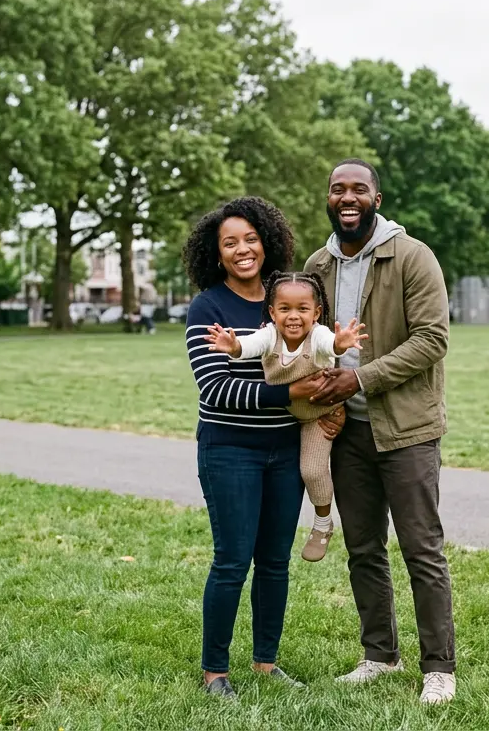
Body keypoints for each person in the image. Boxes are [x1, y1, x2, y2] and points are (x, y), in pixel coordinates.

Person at [304, 158, 457, 705]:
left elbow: (432, 339)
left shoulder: (412, 256)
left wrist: (360, 378)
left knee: (422, 549)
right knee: (364, 548)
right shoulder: (317, 264)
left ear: (377, 197)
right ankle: (380, 656)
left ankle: (439, 667)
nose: (348, 198)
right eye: (338, 189)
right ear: (328, 198)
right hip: (346, 433)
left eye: (358, 189)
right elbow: (306, 336)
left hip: (407, 429)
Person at [181, 196, 344, 699]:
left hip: (285, 451)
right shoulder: (208, 306)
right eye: (229, 242)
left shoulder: (289, 296)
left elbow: (319, 359)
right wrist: (291, 394)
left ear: (267, 241)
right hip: (230, 450)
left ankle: (266, 662)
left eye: (250, 238)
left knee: (274, 561)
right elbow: (217, 388)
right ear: (216, 252)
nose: (242, 249)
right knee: (232, 560)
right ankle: (215, 672)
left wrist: (328, 402)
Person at [203, 271, 367, 562]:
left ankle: (322, 524)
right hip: (290, 417)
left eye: (303, 309)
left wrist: (340, 344)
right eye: (285, 309)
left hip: (319, 417)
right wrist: (234, 347)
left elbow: (329, 345)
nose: (294, 317)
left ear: (316, 313)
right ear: (271, 312)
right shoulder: (269, 335)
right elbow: (250, 345)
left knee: (313, 471)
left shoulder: (317, 335)